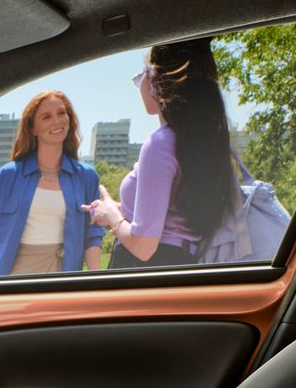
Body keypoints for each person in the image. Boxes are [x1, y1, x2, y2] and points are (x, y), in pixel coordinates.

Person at [82, 38, 237, 268]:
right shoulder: (206, 142)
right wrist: (117, 209)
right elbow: (174, 217)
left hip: (143, 271)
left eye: (142, 74)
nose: (140, 82)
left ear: (155, 79)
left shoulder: (160, 143)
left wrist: (113, 217)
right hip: (185, 265)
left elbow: (143, 246)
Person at [0, 90, 105, 275]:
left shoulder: (86, 176)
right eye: (46, 117)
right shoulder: (7, 175)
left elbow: (92, 232)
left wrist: (95, 281)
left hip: (63, 277)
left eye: (62, 113)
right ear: (33, 129)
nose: (57, 121)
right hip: (11, 279)